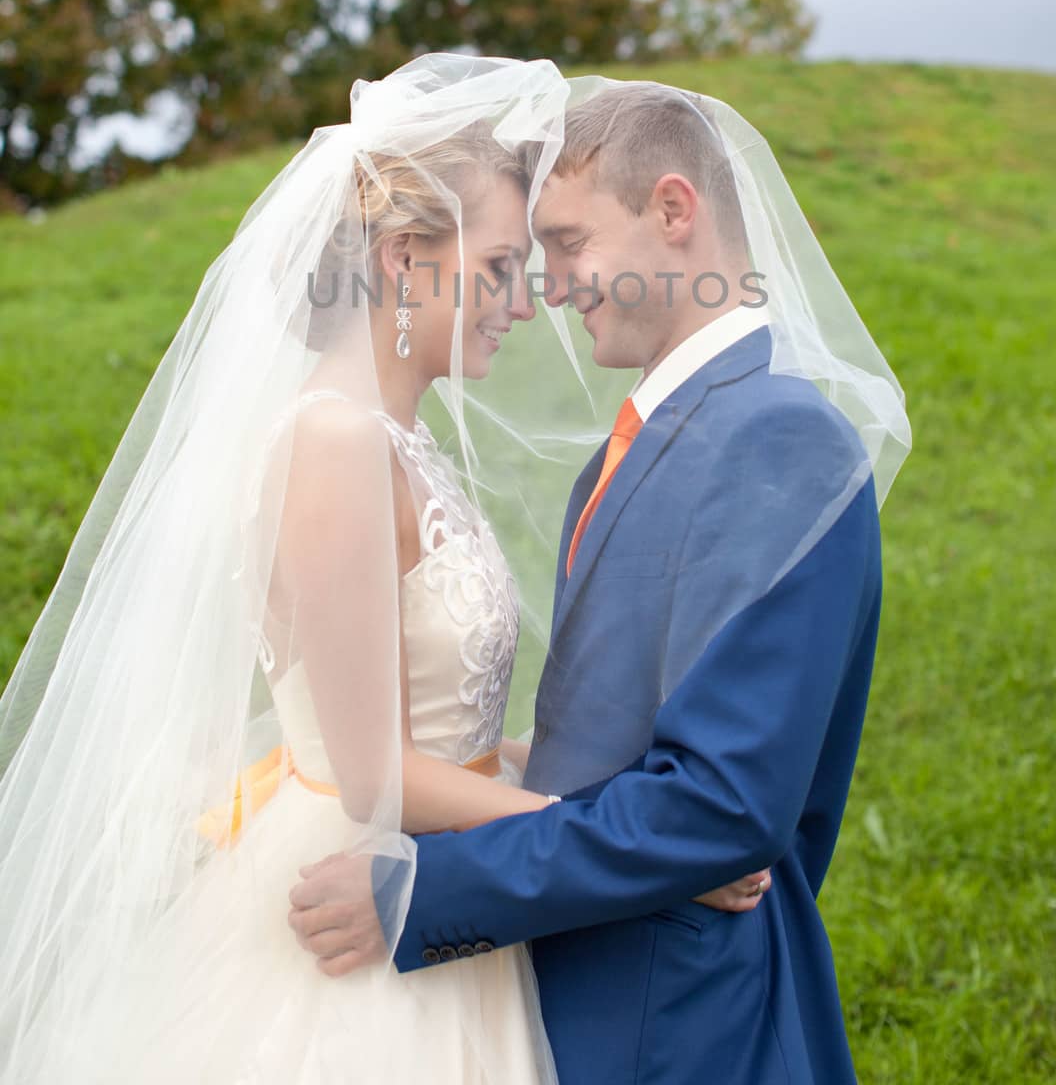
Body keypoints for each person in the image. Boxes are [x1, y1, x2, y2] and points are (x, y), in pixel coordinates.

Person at [0, 55, 766, 1085]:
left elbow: (439, 721)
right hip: (356, 894)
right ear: (406, 259)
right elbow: (375, 774)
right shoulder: (334, 444)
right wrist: (644, 847)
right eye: (498, 266)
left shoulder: (393, 438)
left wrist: (590, 762)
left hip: (437, 869)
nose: (523, 302)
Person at [288, 77, 912, 1085]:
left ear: (672, 211)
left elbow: (719, 811)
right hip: (574, 994)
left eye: (569, 245)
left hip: (676, 1024)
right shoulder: (638, 444)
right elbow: (613, 737)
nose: (549, 288)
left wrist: (420, 892)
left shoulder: (777, 438)